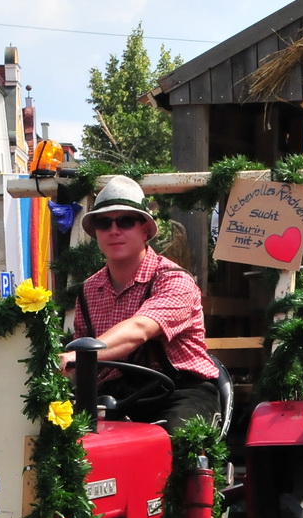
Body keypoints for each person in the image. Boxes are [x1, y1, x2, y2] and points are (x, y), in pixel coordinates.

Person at [71, 176, 221, 434]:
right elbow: (79, 372)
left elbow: (140, 329)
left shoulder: (174, 280)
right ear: (96, 232)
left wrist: (74, 357)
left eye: (126, 221)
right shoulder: (87, 290)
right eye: (104, 223)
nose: (114, 230)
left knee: (175, 443)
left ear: (145, 230)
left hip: (179, 392)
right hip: (111, 395)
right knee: (61, 442)